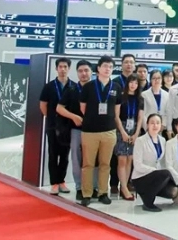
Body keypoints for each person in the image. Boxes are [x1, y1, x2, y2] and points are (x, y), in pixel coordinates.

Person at [79, 55, 121, 206]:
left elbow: (116, 111)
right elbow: (83, 108)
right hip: (90, 131)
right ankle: (87, 193)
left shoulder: (116, 87)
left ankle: (103, 192)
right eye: (105, 66)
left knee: (105, 164)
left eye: (110, 67)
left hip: (109, 131)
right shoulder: (89, 86)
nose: (108, 69)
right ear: (98, 68)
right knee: (88, 164)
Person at [57, 60, 98, 200]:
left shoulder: (97, 88)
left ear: (92, 72)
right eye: (80, 71)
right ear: (77, 73)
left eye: (86, 70)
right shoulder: (72, 89)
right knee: (76, 159)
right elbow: (59, 108)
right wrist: (73, 116)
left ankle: (94, 187)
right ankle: (79, 187)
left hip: (95, 130)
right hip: (76, 130)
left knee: (95, 160)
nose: (83, 73)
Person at [39, 57, 72, 195]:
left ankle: (62, 181)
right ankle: (54, 183)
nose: (63, 69)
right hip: (53, 125)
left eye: (65, 67)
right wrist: (53, 119)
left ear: (69, 69)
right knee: (53, 154)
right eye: (60, 67)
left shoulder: (73, 86)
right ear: (56, 69)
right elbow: (43, 105)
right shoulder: (49, 86)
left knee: (65, 155)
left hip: (68, 126)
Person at [131, 113, 175, 212]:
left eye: (158, 123)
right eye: (152, 123)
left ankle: (150, 193)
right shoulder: (140, 141)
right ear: (147, 125)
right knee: (165, 173)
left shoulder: (162, 140)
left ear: (161, 125)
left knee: (173, 191)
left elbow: (164, 162)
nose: (155, 125)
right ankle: (148, 202)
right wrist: (155, 171)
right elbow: (137, 165)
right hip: (141, 177)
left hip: (156, 177)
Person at [115, 74, 144, 200]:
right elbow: (116, 116)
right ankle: (123, 187)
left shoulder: (140, 99)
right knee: (122, 159)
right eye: (131, 82)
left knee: (130, 159)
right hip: (121, 128)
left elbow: (140, 117)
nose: (133, 85)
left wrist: (137, 133)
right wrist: (122, 132)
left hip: (134, 128)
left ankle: (125, 186)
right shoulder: (121, 96)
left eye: (136, 83)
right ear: (127, 83)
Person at [110, 53, 136, 194]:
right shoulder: (115, 82)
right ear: (122, 64)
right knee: (117, 156)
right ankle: (114, 183)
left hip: (133, 125)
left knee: (130, 157)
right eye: (126, 62)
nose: (129, 64)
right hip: (117, 123)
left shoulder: (137, 82)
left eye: (131, 62)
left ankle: (127, 183)